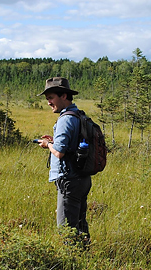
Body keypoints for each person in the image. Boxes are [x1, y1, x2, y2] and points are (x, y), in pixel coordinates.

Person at [36, 77, 92, 242]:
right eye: (47, 99)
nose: (48, 102)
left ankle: (71, 260)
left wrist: (47, 144)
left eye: (51, 98)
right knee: (80, 225)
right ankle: (83, 256)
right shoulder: (77, 115)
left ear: (64, 96)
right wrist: (54, 140)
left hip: (69, 179)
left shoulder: (65, 119)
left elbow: (59, 153)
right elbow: (71, 144)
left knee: (66, 228)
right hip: (82, 178)